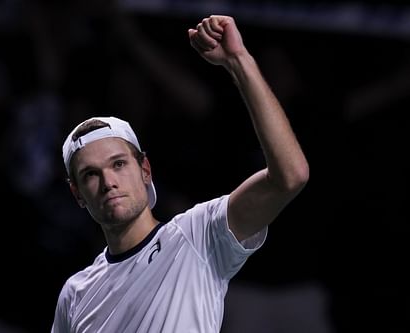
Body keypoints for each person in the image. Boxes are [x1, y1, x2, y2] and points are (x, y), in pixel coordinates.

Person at [51, 14, 309, 333]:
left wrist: (239, 61)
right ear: (77, 193)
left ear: (145, 169)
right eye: (91, 174)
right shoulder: (75, 294)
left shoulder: (198, 235)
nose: (108, 182)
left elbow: (289, 176)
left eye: (119, 164)